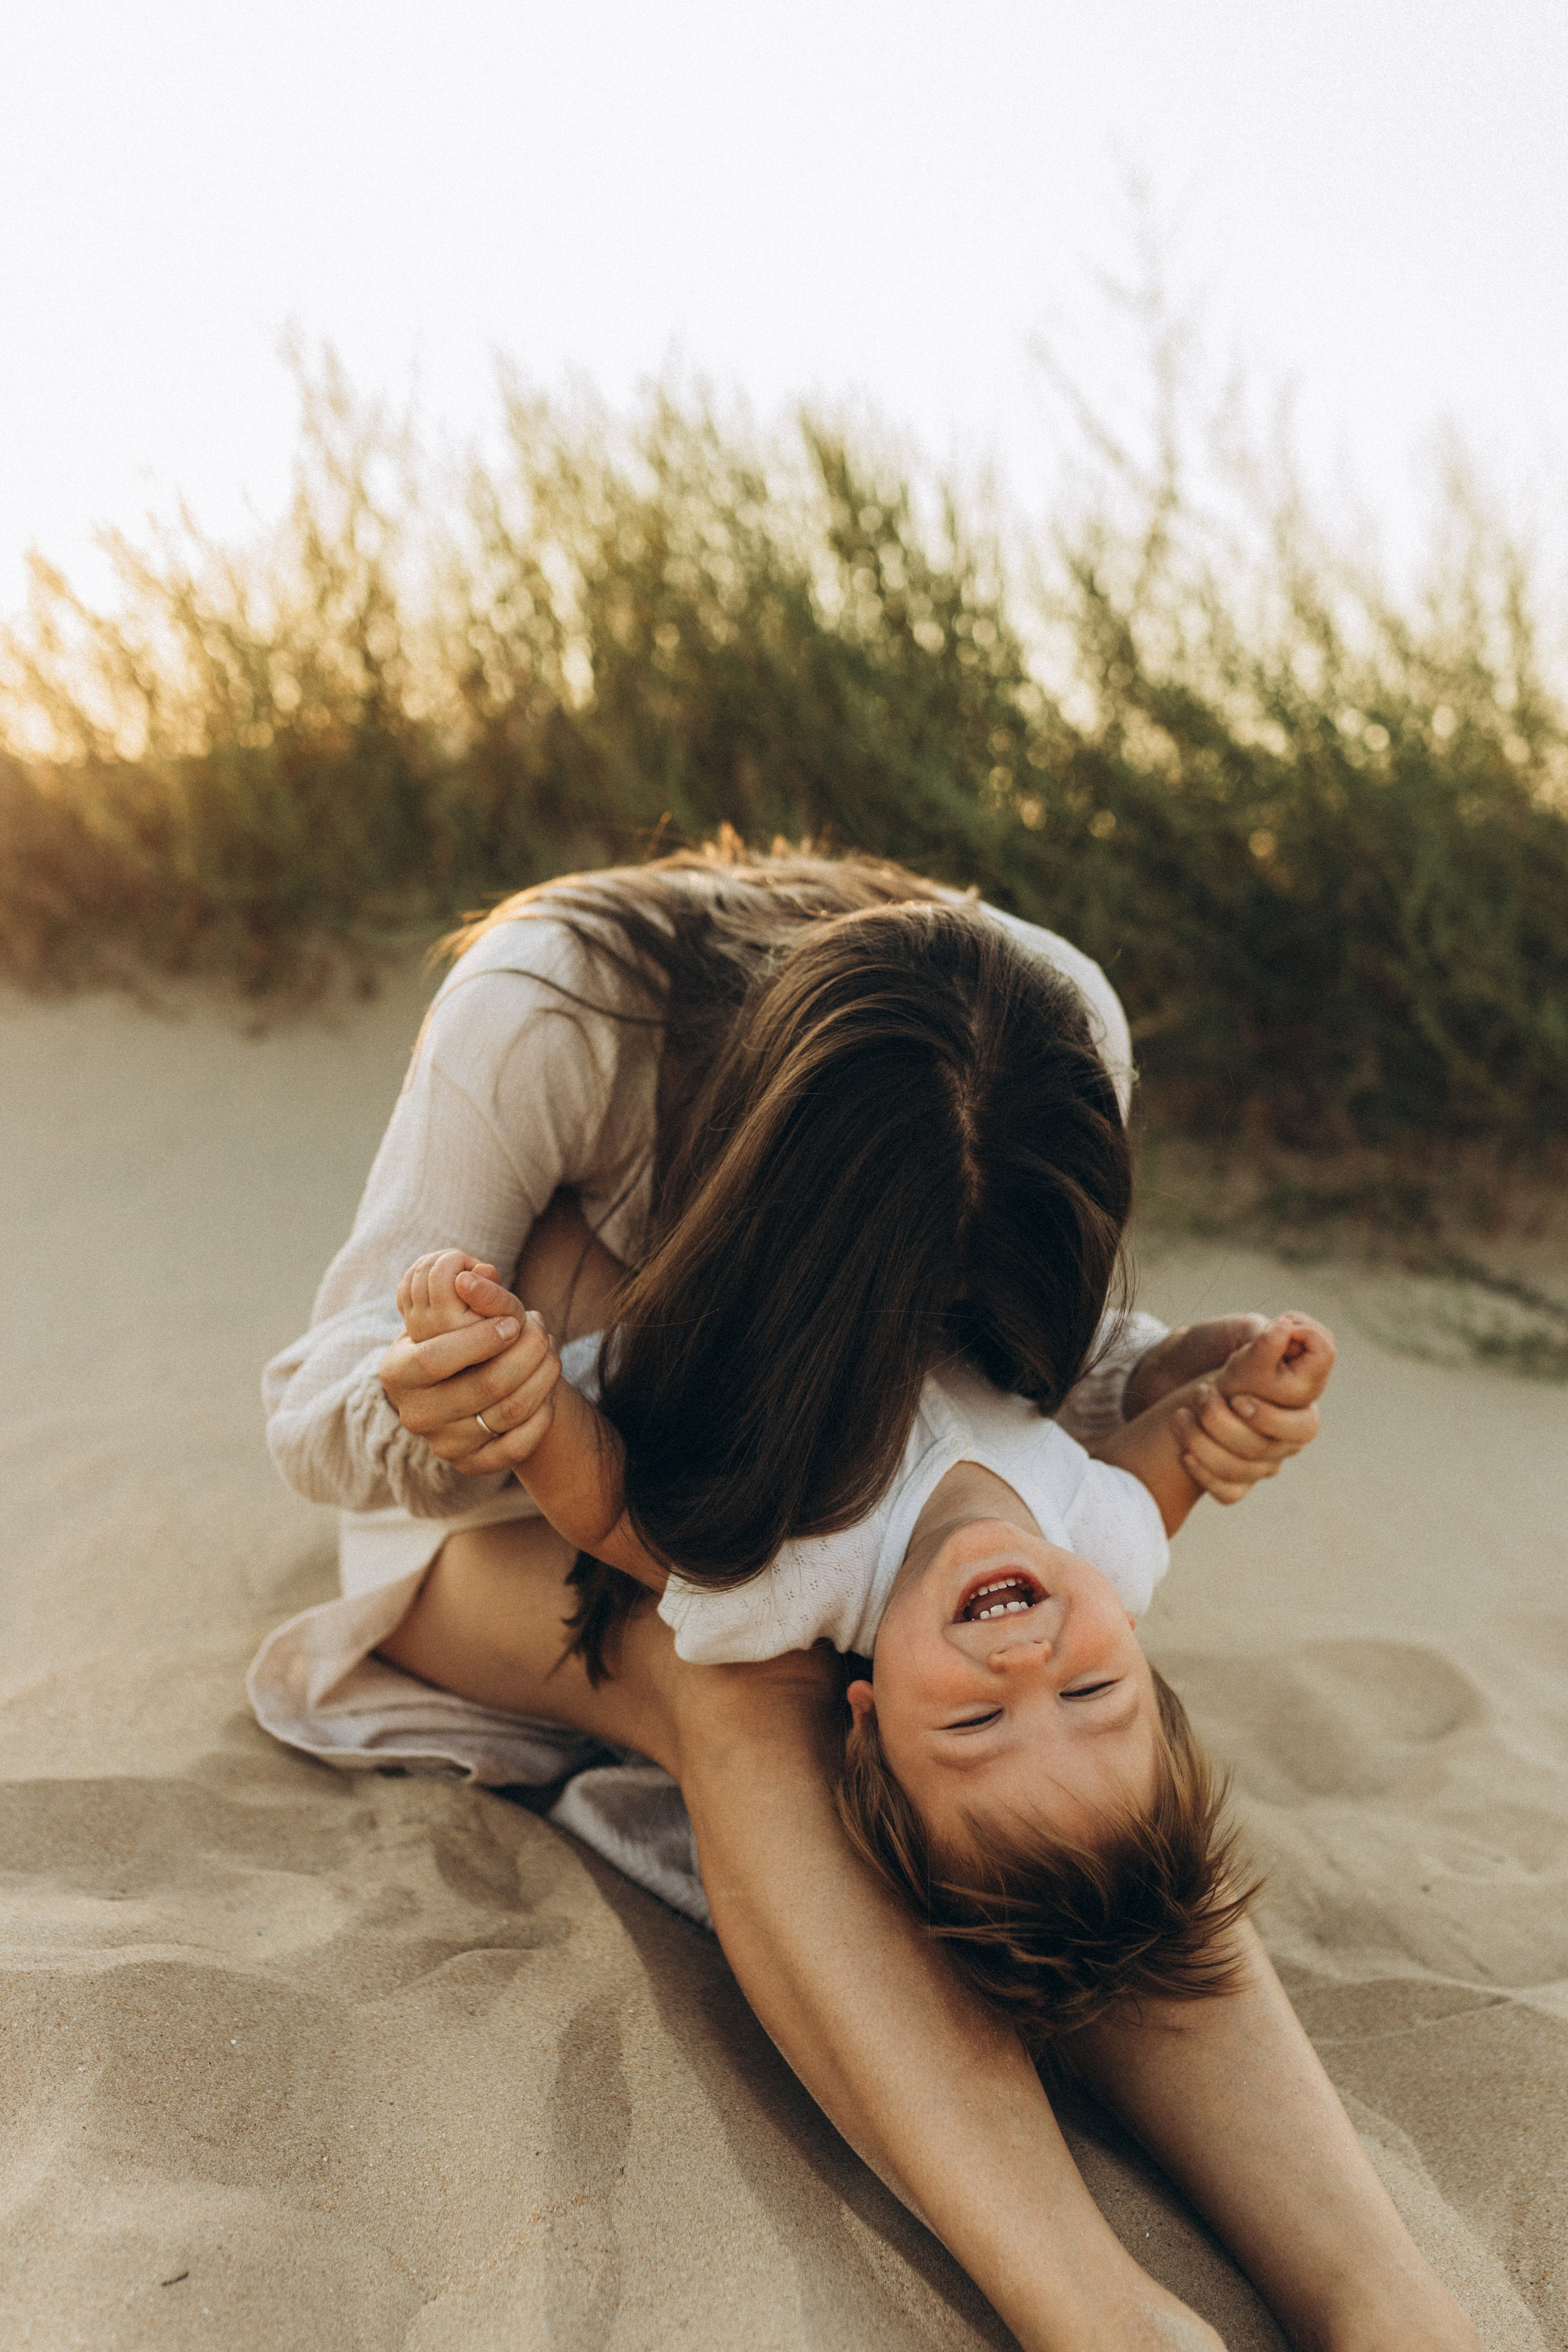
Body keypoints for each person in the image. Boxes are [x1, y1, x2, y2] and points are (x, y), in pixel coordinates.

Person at [255, 840, 1480, 2345]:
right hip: (527, 1515)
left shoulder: (1055, 1029)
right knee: (732, 1664)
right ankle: (1093, 2311)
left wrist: (1164, 1378)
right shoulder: (556, 1011)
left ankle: (1387, 2306)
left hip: (856, 1561)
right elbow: (317, 1410)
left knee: (1093, 1821)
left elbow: (1037, 1374)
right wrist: (470, 1404)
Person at [396, 1238, 1335, 2046]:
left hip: (676, 1297)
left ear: (869, 1715)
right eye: (1091, 1695)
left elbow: (613, 1516)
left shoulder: (801, 1579)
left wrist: (532, 1407)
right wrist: (1240, 1391)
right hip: (896, 1258)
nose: (1024, 1667)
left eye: (974, 1723)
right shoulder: (1112, 1546)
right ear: (1131, 1637)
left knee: (580, 1255)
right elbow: (1179, 1442)